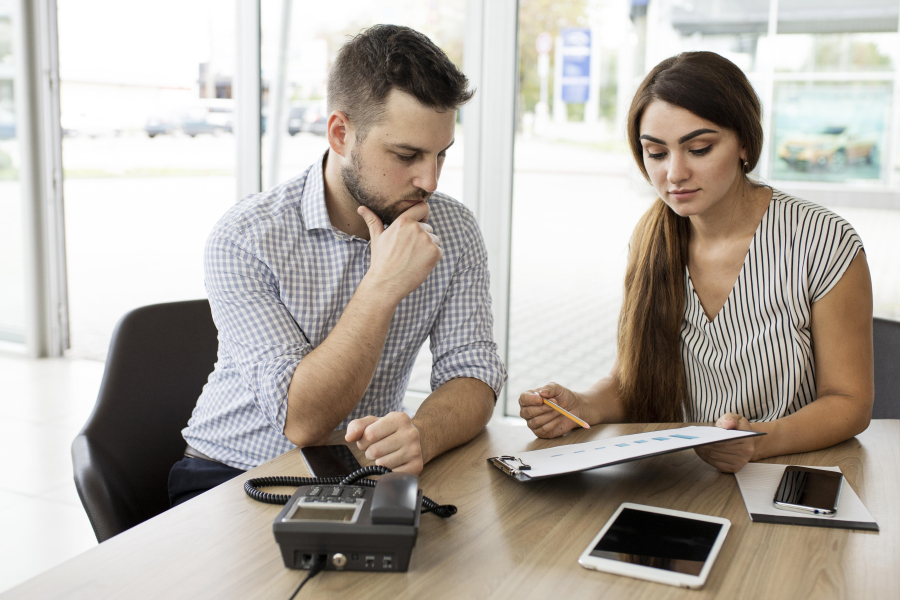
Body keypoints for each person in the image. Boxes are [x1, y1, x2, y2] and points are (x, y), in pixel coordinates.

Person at [169, 25, 507, 506]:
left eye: (441, 155)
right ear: (340, 134)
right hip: (229, 473)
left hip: (356, 474)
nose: (429, 180)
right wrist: (382, 285)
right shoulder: (245, 237)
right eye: (407, 155)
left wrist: (423, 436)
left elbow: (472, 370)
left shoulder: (453, 229)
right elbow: (303, 422)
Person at [519, 51, 873, 473]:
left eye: (699, 148)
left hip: (794, 474)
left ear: (744, 142)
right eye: (656, 153)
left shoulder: (823, 240)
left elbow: (849, 403)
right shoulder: (651, 240)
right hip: (687, 477)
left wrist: (758, 441)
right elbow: (629, 382)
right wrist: (582, 405)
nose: (675, 173)